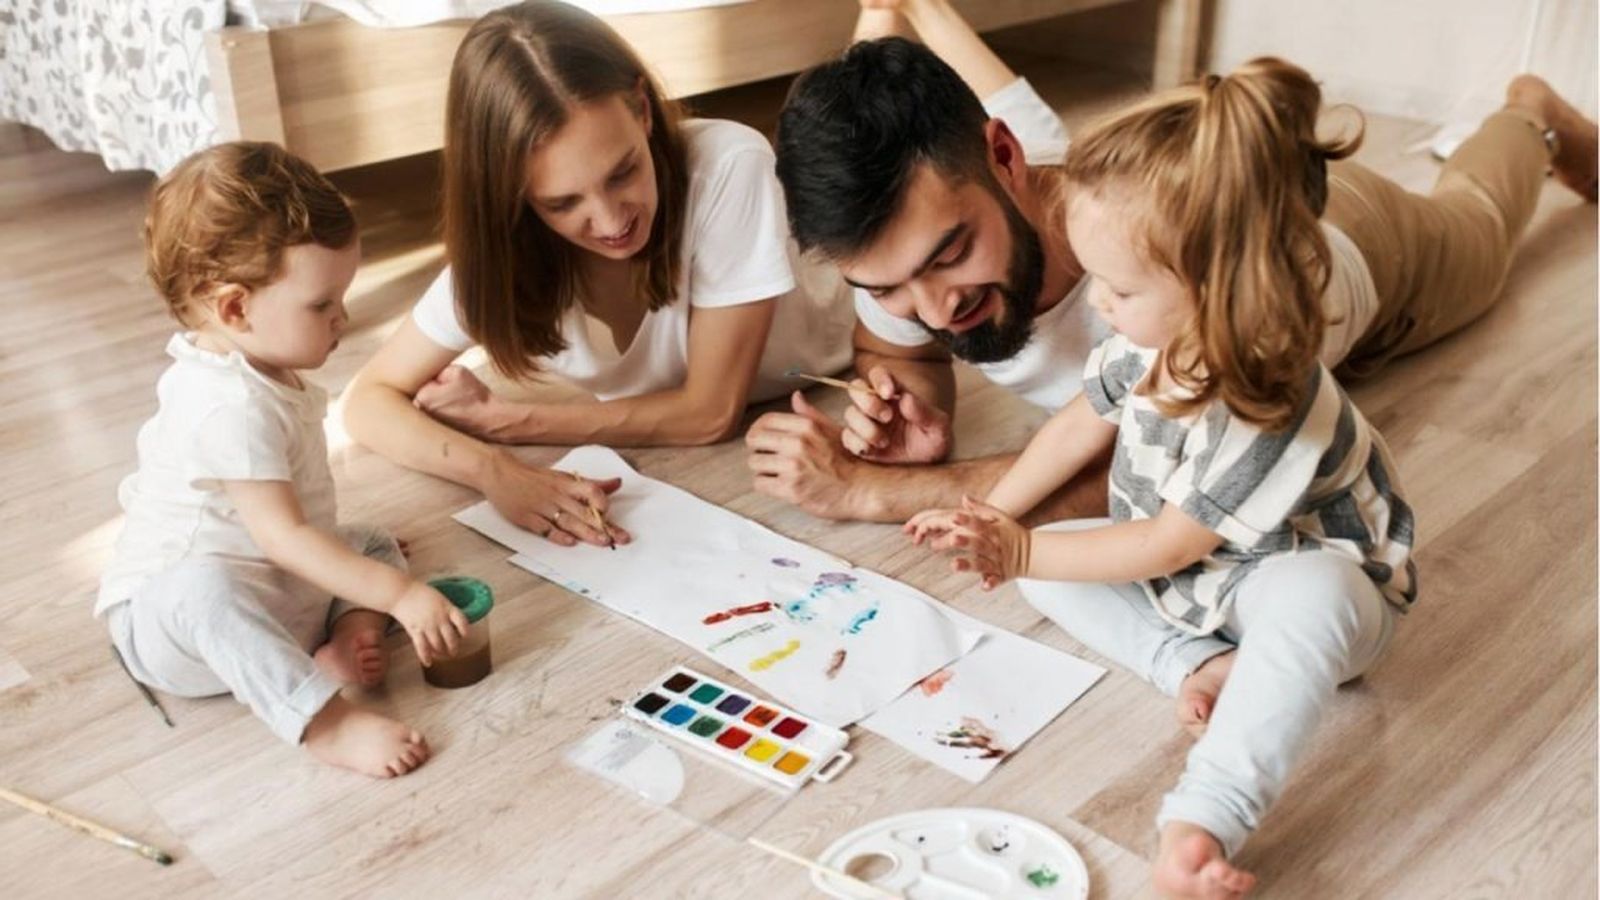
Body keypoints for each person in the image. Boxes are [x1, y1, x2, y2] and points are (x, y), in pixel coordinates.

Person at [748, 0, 1598, 526]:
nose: (930, 310)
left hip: (1345, 249)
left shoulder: (1150, 255)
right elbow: (899, 349)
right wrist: (921, 416)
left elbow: (1156, 479)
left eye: (951, 255)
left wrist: (869, 492)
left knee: (1480, 227)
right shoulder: (905, 241)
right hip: (1176, 190)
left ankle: (1530, 117)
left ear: (1004, 160)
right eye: (885, 288)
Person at [908, 58, 1418, 898]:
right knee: (1059, 564)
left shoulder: (1272, 403)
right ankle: (1190, 664)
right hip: (1202, 586)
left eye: (1120, 287)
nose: (1098, 304)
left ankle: (1204, 816)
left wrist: (1021, 551)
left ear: (1216, 290)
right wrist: (989, 514)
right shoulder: (1147, 338)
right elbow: (1079, 424)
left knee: (1311, 594)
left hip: (1305, 584)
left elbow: (1164, 542)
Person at [342, 0, 854, 547]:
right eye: (563, 202)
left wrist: (506, 421)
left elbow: (710, 414)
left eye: (624, 171)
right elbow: (366, 400)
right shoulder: (505, 250)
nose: (612, 221)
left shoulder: (729, 164)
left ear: (642, 109)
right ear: (512, 197)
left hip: (855, 362)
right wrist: (493, 471)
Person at [98, 142, 469, 778]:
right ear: (235, 307)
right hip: (176, 628)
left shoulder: (264, 367)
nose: (342, 318)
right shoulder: (225, 403)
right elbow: (284, 537)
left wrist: (365, 578)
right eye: (321, 305)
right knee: (205, 587)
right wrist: (401, 596)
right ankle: (325, 721)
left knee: (371, 541)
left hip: (269, 578)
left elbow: (293, 538)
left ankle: (345, 637)